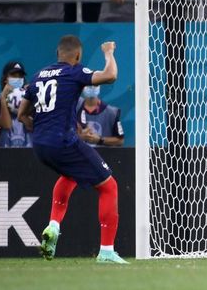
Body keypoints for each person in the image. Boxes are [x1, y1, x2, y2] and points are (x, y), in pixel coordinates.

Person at [17, 35, 127, 264]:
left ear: (57, 54)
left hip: (40, 145)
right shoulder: (73, 72)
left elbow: (22, 115)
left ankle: (54, 225)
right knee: (109, 186)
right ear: (77, 56)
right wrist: (108, 52)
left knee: (71, 175)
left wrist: (40, 128)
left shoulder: (38, 76)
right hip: (63, 142)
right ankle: (106, 251)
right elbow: (110, 75)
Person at [0, 60, 32, 147]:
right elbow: (7, 125)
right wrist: (3, 100)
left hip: (28, 153)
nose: (17, 79)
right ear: (5, 79)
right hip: (4, 154)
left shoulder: (30, 99)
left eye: (20, 76)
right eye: (13, 75)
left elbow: (31, 126)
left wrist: (30, 99)